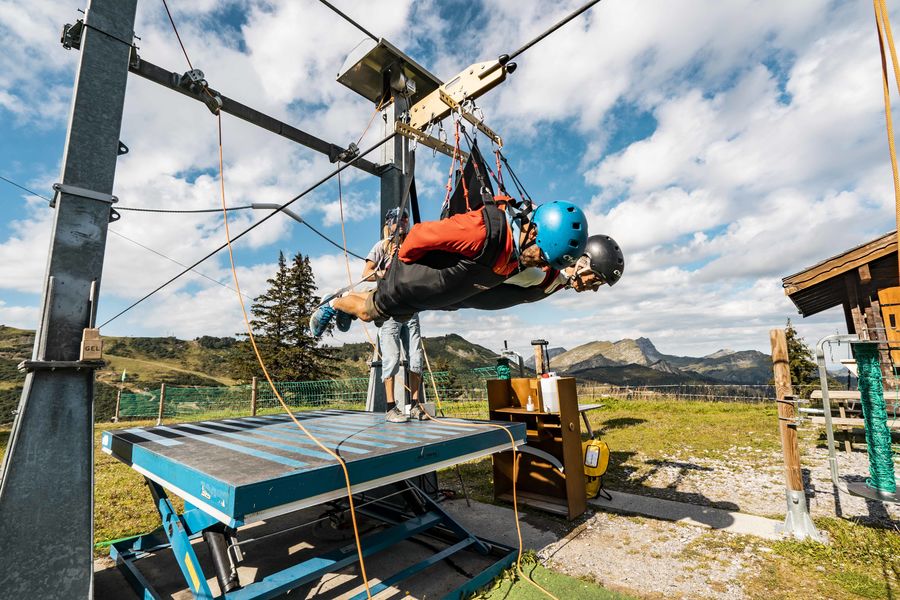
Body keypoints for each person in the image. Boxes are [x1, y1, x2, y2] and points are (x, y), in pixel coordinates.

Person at [309, 199, 588, 333]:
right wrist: (404, 268)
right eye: (542, 255)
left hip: (426, 296)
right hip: (411, 280)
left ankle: (344, 304)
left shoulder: (516, 255)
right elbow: (419, 235)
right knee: (369, 312)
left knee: (380, 314)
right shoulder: (482, 231)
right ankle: (332, 305)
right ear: (533, 232)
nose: (540, 263)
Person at [361, 208, 425, 423]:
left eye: (406, 218)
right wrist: (383, 273)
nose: (403, 222)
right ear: (389, 223)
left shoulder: (412, 245)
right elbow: (365, 274)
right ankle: (390, 407)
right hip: (389, 311)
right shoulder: (381, 247)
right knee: (392, 359)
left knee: (416, 358)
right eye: (399, 219)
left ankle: (415, 406)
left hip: (411, 308)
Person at [450, 234, 625, 310]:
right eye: (596, 280)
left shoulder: (558, 280)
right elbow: (480, 269)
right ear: (583, 262)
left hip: (448, 301)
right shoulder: (538, 273)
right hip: (442, 291)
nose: (594, 288)